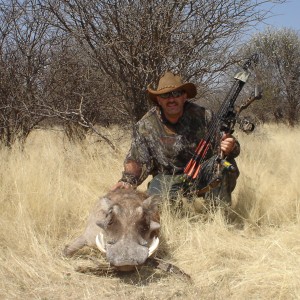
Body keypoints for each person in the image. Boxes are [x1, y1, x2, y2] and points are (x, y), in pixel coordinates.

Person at [111, 71, 240, 205]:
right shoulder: (146, 125)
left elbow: (232, 148)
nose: (171, 99)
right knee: (157, 210)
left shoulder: (205, 116)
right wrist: (127, 181)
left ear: (184, 96)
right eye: (165, 95)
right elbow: (137, 159)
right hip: (167, 177)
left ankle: (218, 215)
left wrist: (231, 146)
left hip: (201, 174)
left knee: (226, 166)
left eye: (176, 94)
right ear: (158, 100)